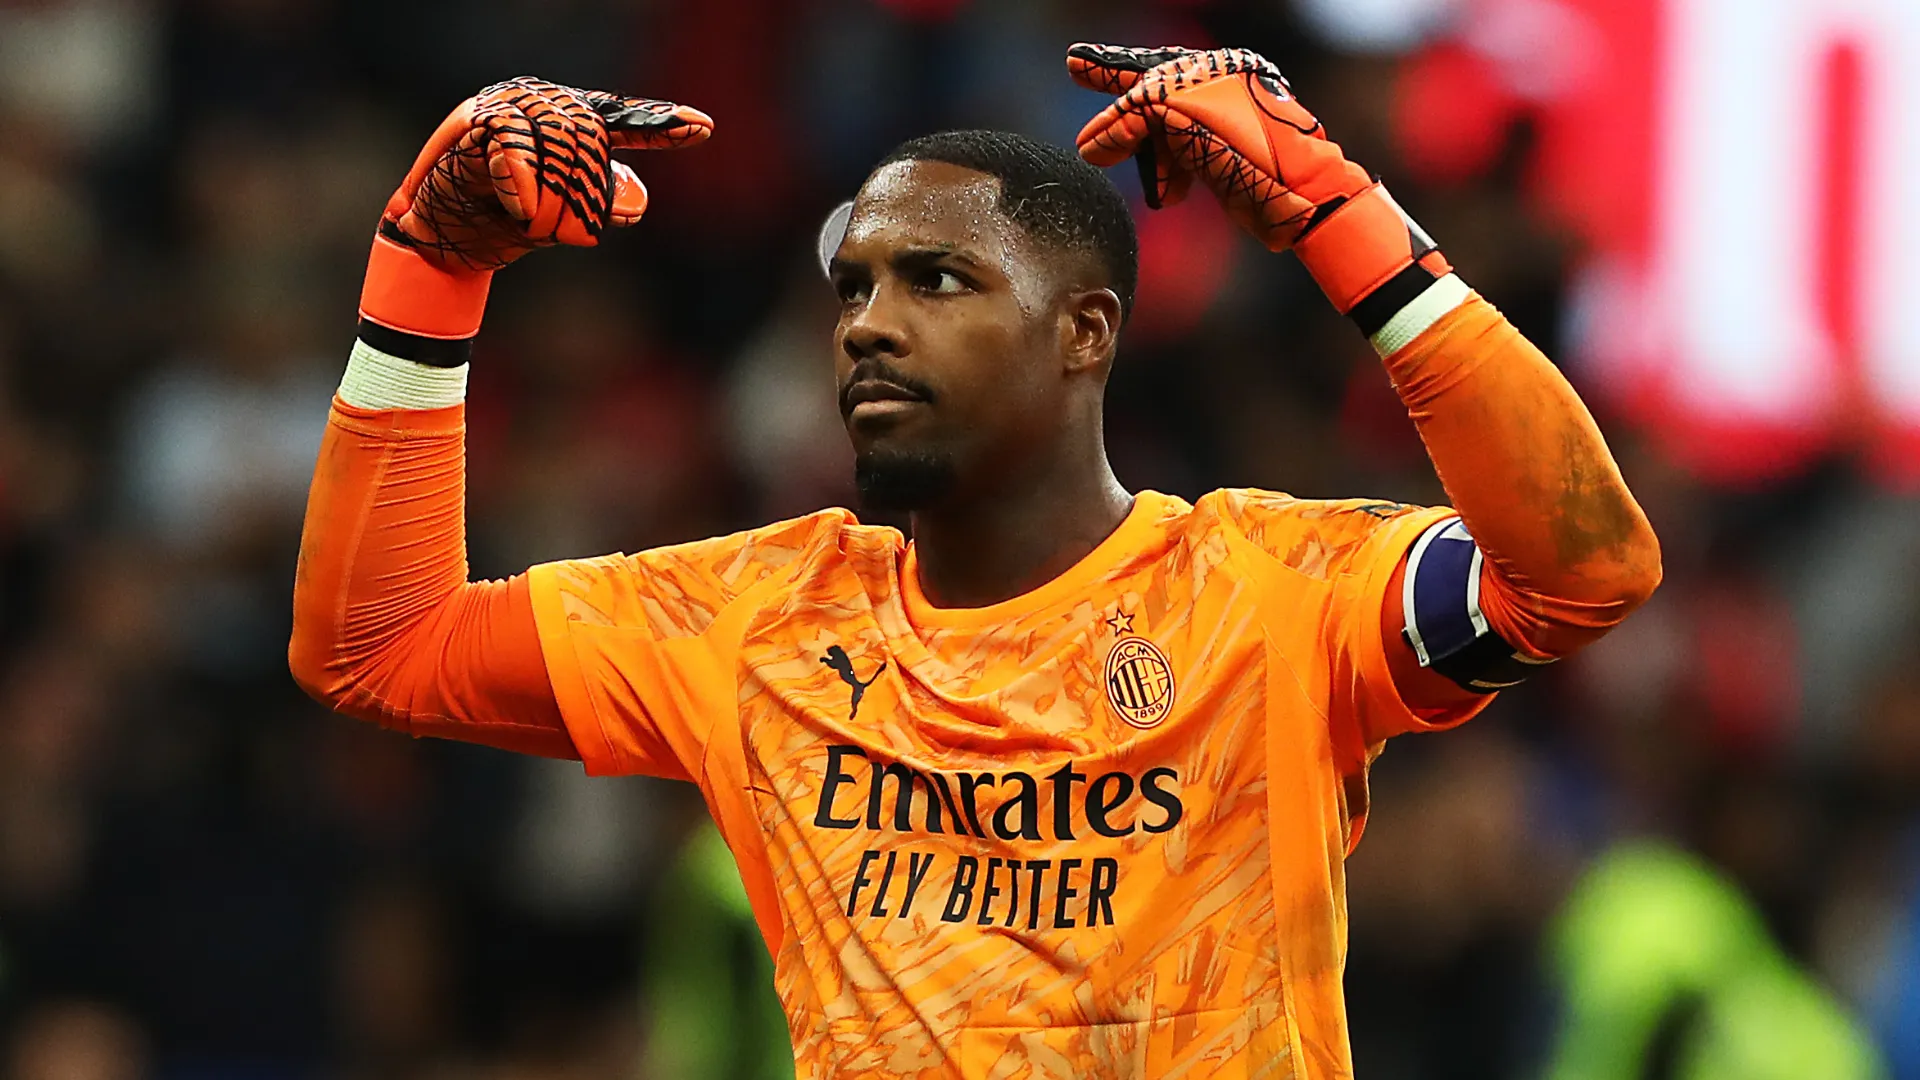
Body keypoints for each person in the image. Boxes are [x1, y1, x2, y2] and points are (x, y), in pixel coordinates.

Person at [290, 46, 1661, 1078]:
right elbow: (373, 645)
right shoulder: (752, 620)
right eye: (852, 290)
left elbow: (1581, 570)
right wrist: (429, 268)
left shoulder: (1271, 592)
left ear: (1086, 334)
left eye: (936, 281)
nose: (869, 326)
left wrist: (1344, 218)